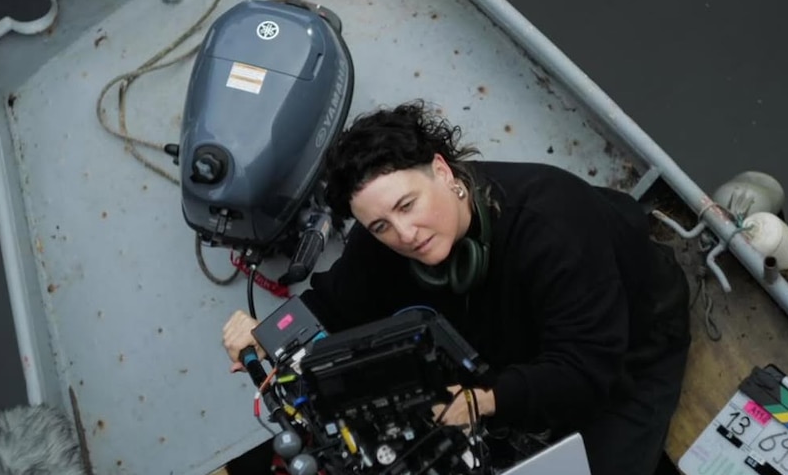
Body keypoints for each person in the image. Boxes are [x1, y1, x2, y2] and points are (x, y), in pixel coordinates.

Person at [223, 100, 691, 475]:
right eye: (381, 224)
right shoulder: (383, 238)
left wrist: (482, 402)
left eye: (409, 205)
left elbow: (586, 369)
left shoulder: (554, 223)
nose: (404, 235)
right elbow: (332, 302)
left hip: (626, 345)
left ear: (443, 172)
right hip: (512, 346)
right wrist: (267, 334)